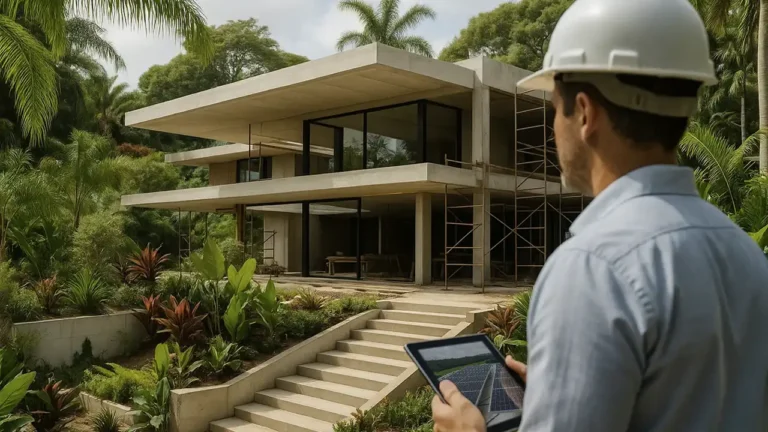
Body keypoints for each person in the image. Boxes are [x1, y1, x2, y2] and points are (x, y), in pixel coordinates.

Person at [432, 0, 768, 430]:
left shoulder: (593, 269)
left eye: (555, 108)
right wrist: (560, 394)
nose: (554, 127)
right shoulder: (744, 252)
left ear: (586, 113)